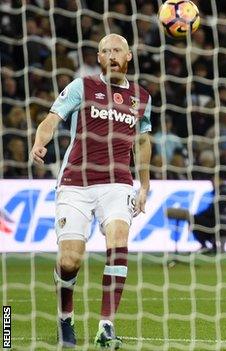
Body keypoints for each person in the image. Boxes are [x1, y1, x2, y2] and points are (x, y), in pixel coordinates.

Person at [31, 34, 152, 349]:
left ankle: (107, 326)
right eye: (105, 51)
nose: (111, 55)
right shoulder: (81, 87)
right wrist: (39, 140)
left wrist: (145, 185)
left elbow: (142, 141)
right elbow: (52, 118)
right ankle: (65, 318)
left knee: (119, 242)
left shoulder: (141, 97)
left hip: (118, 183)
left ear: (128, 56)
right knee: (70, 259)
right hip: (76, 182)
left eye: (117, 50)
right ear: (99, 58)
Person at [166, 175, 226, 253]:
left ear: (220, 180)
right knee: (195, 219)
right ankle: (207, 246)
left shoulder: (223, 192)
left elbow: (213, 211)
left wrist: (196, 217)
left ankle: (204, 246)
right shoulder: (225, 192)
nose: (212, 183)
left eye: (214, 180)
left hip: (223, 226)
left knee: (193, 220)